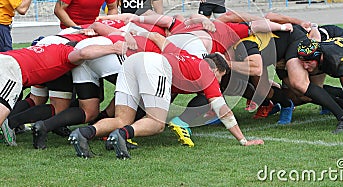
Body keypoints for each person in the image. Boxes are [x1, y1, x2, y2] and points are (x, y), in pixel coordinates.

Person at [68, 32, 264, 159]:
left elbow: (161, 40)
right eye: (221, 77)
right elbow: (223, 110)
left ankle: (83, 134)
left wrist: (140, 32)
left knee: (122, 119)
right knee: (156, 123)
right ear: (217, 70)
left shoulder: (188, 57)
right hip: (155, 65)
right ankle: (120, 136)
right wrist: (243, 140)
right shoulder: (208, 72)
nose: (219, 82)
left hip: (133, 61)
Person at [0, 41, 126, 146]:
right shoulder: (68, 54)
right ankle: (11, 123)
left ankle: (12, 123)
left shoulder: (54, 46)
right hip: (12, 68)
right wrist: (113, 48)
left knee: (38, 100)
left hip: (10, 58)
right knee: (5, 106)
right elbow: (83, 53)